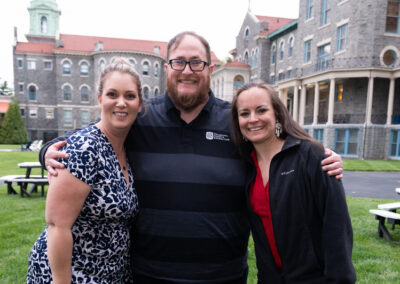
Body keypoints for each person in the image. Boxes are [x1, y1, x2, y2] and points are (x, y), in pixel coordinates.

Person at [40, 32, 344, 283]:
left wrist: (320, 156)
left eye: (196, 63)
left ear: (210, 70)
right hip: (149, 275)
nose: (187, 70)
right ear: (166, 69)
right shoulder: (140, 118)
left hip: (223, 277)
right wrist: (47, 151)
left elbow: (278, 145)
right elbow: (91, 137)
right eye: (179, 62)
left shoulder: (236, 121)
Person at [27, 58, 142, 283]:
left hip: (108, 274)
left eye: (129, 96)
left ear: (140, 104)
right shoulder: (84, 148)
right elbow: (57, 226)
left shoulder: (127, 149)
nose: (121, 103)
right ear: (100, 100)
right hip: (72, 274)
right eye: (112, 95)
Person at [231, 82, 356, 283]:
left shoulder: (311, 156)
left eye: (261, 110)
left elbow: (337, 225)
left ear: (277, 114)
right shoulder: (245, 166)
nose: (253, 119)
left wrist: (340, 279)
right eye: (244, 113)